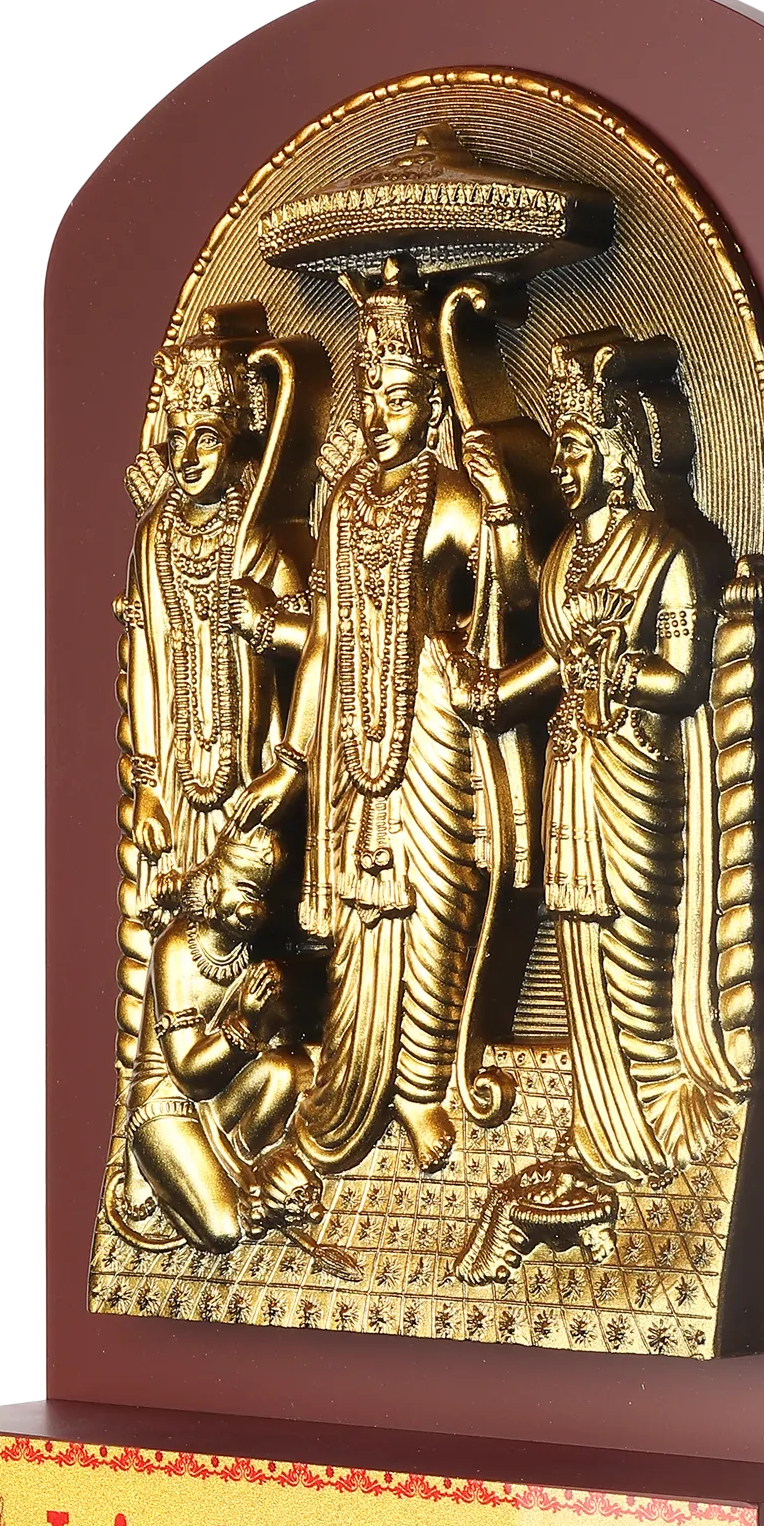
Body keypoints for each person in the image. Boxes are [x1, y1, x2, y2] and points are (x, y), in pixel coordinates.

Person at [236, 256, 529, 1200]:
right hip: (351, 731)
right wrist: (291, 760)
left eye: (399, 397)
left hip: (433, 717)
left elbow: (513, 602)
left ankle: (424, 1085)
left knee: (438, 901)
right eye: (370, 396)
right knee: (365, 920)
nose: (379, 415)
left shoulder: (454, 496)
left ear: (429, 400)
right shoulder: (342, 501)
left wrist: (505, 514)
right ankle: (358, 1085)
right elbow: (325, 635)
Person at [454, 334, 741, 1182]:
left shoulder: (666, 551)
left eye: (575, 447)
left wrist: (619, 670)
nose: (560, 466)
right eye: (559, 449)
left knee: (634, 940)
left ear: (617, 456)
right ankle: (599, 1125)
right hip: (571, 770)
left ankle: (653, 1113)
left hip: (633, 772)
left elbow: (683, 677)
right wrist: (494, 692)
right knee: (578, 934)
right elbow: (553, 660)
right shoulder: (559, 560)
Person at [101, 307, 312, 1244]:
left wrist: (267, 618)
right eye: (179, 438)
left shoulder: (258, 543)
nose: (189, 457)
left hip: (247, 787)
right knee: (165, 945)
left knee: (247, 942)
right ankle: (146, 1158)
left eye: (209, 438)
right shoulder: (155, 539)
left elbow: (318, 652)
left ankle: (221, 1137)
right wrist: (147, 777)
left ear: (238, 442)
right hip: (178, 788)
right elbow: (146, 662)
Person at [122, 823, 309, 1253]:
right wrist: (245, 1020)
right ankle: (155, 1166)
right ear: (211, 883)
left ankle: (234, 1168)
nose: (255, 909)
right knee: (224, 1231)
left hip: (217, 1106)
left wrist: (276, 996)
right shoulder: (175, 950)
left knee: (287, 1073)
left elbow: (278, 1041)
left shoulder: (250, 955)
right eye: (246, 891)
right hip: (166, 1103)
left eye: (264, 898)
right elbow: (188, 1072)